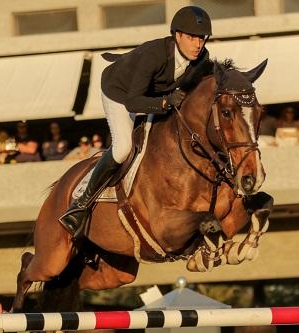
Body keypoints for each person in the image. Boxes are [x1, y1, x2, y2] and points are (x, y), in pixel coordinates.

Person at [59, 6, 213, 237]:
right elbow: (133, 102)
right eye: (192, 37)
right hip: (121, 93)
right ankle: (80, 203)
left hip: (153, 95)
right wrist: (164, 103)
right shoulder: (154, 55)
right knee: (123, 149)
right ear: (177, 35)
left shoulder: (202, 58)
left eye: (202, 38)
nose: (198, 44)